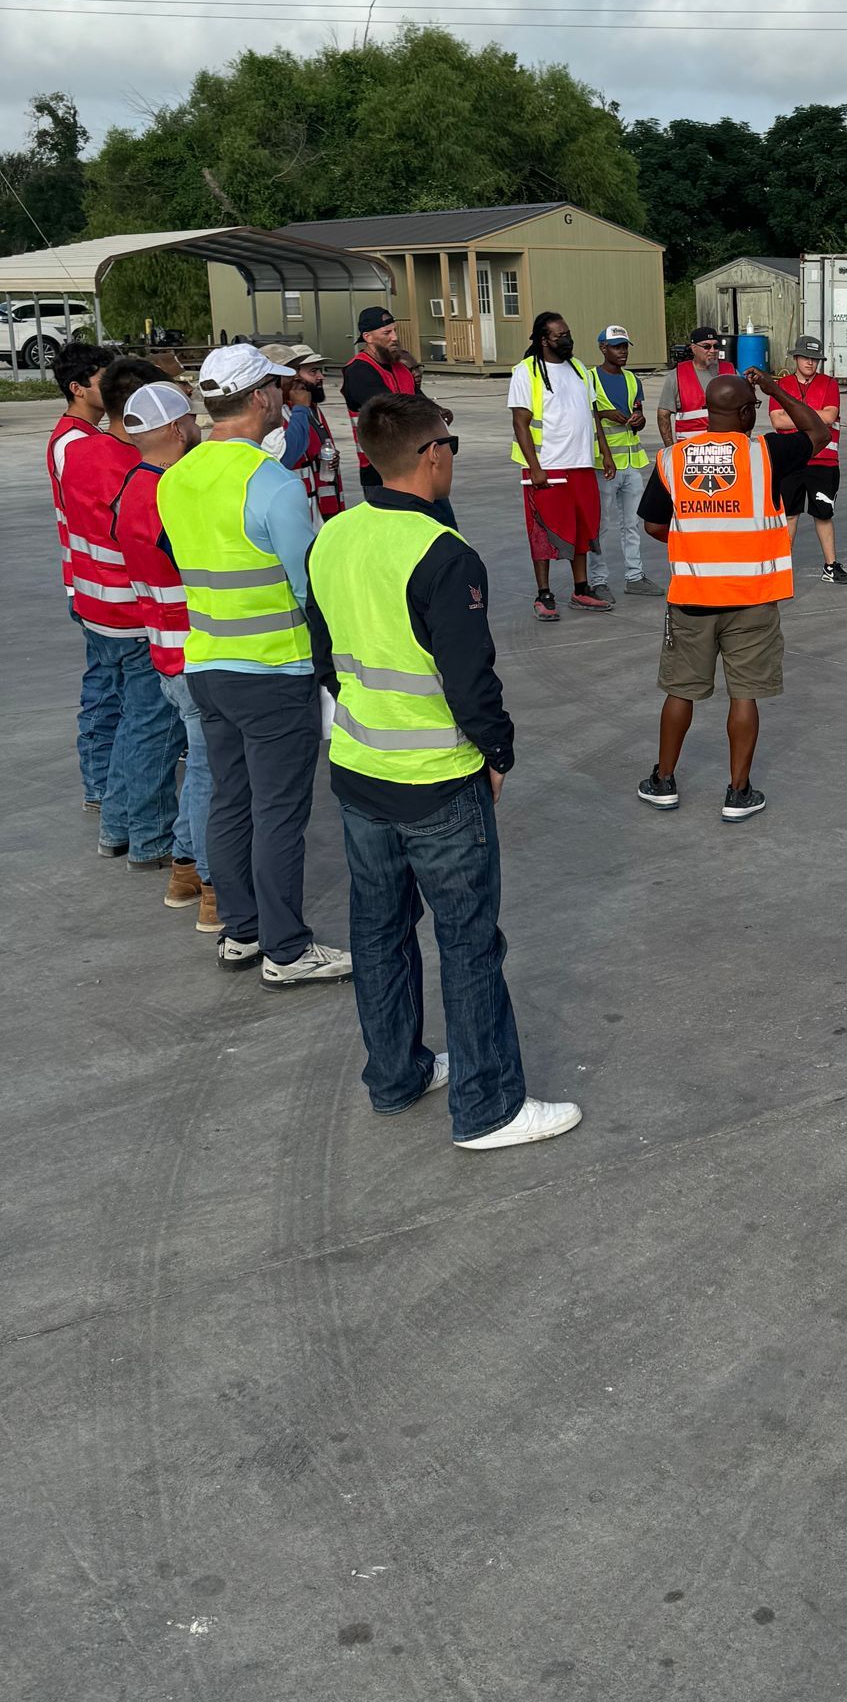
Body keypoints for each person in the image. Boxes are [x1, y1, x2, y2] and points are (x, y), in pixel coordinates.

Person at [306, 392, 580, 1151]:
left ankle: (395, 1075)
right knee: (466, 942)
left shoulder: (331, 536)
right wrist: (498, 753)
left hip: (359, 773)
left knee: (380, 929)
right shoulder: (442, 553)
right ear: (432, 455)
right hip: (437, 781)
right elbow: (471, 681)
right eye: (451, 445)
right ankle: (489, 1107)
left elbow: (326, 657)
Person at [156, 345, 352, 986]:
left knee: (231, 801)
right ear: (260, 397)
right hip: (273, 672)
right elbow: (314, 586)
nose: (285, 396)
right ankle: (288, 949)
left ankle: (241, 930)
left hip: (207, 663)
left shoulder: (177, 477)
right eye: (278, 386)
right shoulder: (272, 483)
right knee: (278, 812)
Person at [635, 368, 831, 819]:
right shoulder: (766, 452)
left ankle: (663, 781)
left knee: (680, 690)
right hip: (753, 596)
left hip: (693, 597)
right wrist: (776, 388)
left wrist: (697, 539)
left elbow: (653, 524)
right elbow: (818, 431)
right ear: (746, 411)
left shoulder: (672, 458)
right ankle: (738, 792)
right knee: (744, 694)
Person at [113, 379, 217, 926]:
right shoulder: (172, 495)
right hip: (196, 650)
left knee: (200, 764)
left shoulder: (131, 486)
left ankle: (182, 869)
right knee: (210, 772)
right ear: (177, 429)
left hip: (161, 648)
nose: (199, 428)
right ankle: (210, 886)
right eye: (193, 421)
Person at [60, 350, 170, 869]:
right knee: (148, 726)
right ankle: (146, 835)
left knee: (126, 718)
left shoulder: (79, 452)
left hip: (95, 605)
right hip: (134, 615)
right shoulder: (135, 472)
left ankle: (118, 824)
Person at [47, 340, 119, 810]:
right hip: (91, 584)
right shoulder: (75, 442)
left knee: (109, 684)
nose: (111, 388)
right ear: (77, 388)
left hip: (91, 580)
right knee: (104, 688)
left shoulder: (85, 437)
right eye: (102, 380)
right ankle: (98, 784)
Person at [509, 311, 616, 620]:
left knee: (582, 528)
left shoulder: (580, 369)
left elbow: (592, 414)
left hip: (581, 463)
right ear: (544, 340)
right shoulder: (526, 372)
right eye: (560, 336)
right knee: (543, 532)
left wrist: (604, 453)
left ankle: (581, 589)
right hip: (547, 467)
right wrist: (535, 466)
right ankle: (544, 594)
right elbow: (520, 423)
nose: (568, 340)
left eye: (568, 334)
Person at [771, 334, 847, 584]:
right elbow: (777, 420)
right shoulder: (782, 385)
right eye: (806, 357)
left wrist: (795, 417)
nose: (811, 363)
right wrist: (813, 417)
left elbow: (830, 417)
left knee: (824, 514)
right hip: (791, 462)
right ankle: (781, 568)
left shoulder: (829, 384)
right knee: (789, 515)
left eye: (815, 359)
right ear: (796, 357)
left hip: (824, 461)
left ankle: (830, 566)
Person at [584, 324, 654, 598]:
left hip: (630, 463)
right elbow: (582, 416)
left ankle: (634, 576)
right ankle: (599, 579)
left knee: (631, 523)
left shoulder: (632, 380)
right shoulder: (588, 378)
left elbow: (639, 414)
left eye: (625, 346)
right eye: (616, 347)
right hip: (602, 464)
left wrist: (639, 420)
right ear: (603, 349)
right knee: (600, 525)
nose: (622, 352)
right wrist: (603, 414)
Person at [341, 307, 429, 489]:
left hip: (413, 461)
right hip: (379, 467)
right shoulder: (358, 370)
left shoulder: (401, 369)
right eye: (387, 332)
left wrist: (438, 411)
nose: (395, 337)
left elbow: (421, 401)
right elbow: (386, 408)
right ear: (368, 337)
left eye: (395, 331)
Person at [265, 347, 345, 527]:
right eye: (312, 371)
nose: (320, 377)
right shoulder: (283, 412)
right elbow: (288, 454)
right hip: (298, 512)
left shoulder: (309, 408)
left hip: (318, 507)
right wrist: (301, 408)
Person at [657, 324, 737, 444]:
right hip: (691, 453)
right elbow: (663, 415)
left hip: (727, 449)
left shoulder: (732, 372)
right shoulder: (677, 375)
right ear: (694, 348)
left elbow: (746, 411)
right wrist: (670, 450)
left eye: (716, 346)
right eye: (706, 346)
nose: (712, 351)